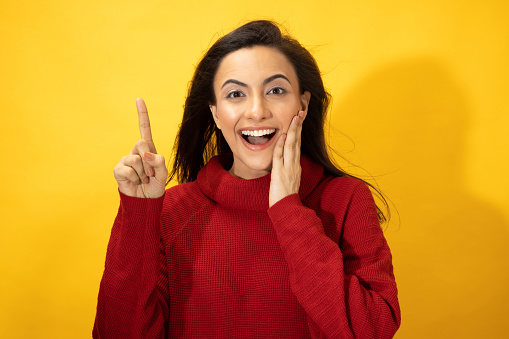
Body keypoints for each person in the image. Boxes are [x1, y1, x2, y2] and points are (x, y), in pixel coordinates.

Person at [93, 20, 401, 338]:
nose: (256, 111)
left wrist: (288, 210)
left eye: (276, 90)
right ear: (215, 113)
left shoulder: (345, 199)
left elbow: (371, 330)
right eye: (236, 93)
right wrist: (138, 218)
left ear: (303, 105)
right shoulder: (172, 211)